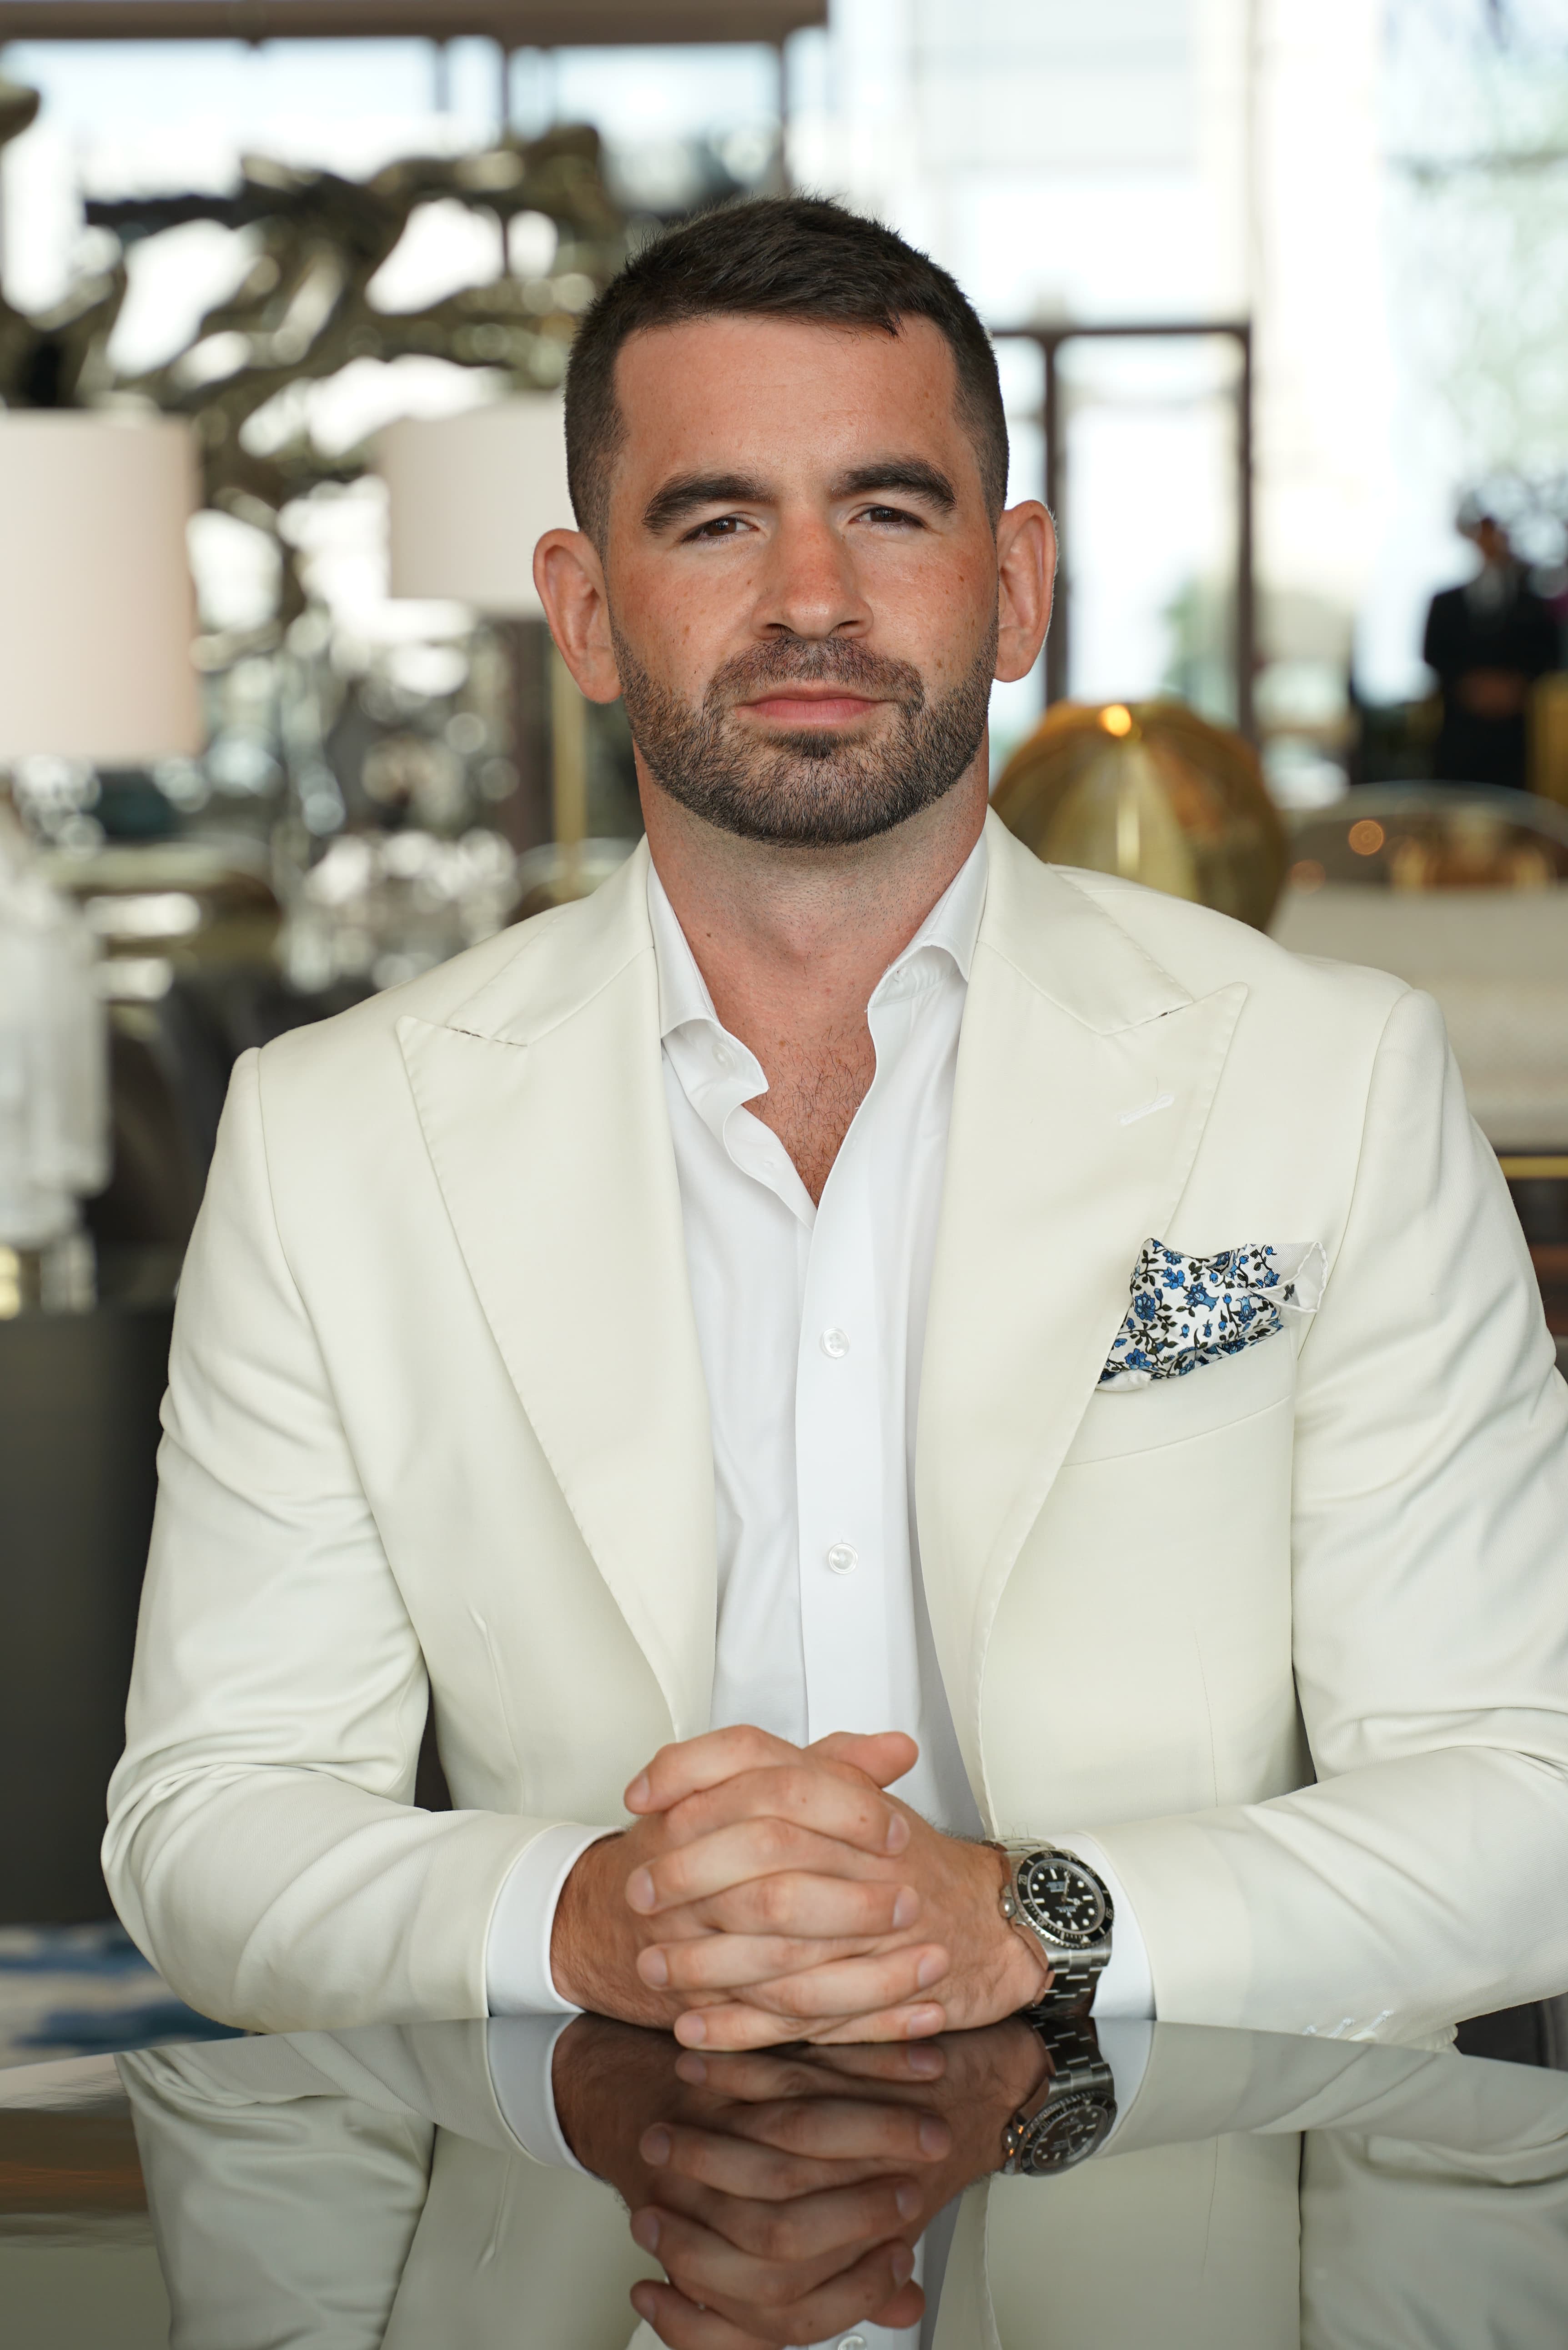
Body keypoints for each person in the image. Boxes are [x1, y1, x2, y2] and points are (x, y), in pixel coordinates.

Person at [107, 199, 1568, 2079]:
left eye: (887, 509)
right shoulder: (332, 1137)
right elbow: (210, 1812)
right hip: (575, 2224)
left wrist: (1020, 1915)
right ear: (583, 609)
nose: (811, 594)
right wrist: (582, 1910)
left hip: (1175, 2210)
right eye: (715, 519)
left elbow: (1527, 1790)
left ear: (1017, 582)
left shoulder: (1333, 1078)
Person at [1422, 506, 1559, 789]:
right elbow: (1432, 652)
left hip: (1511, 737)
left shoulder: (1532, 604)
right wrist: (1470, 687)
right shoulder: (1446, 602)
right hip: (1460, 733)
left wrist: (1514, 686)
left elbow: (1548, 653)